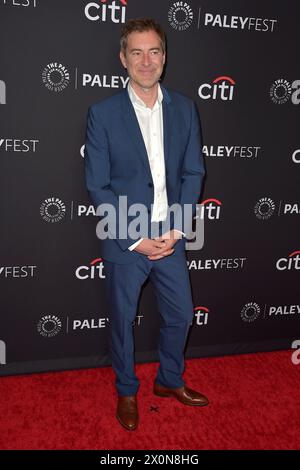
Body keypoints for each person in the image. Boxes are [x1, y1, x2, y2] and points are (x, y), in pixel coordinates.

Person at [84, 18, 208, 431]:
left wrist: (175, 230)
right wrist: (135, 240)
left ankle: (168, 380)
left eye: (154, 51)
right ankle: (126, 390)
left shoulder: (186, 108)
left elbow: (193, 174)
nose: (146, 60)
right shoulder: (102, 114)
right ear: (123, 58)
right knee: (122, 322)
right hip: (127, 237)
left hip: (170, 233)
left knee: (181, 316)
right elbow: (98, 185)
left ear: (164, 57)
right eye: (136, 52)